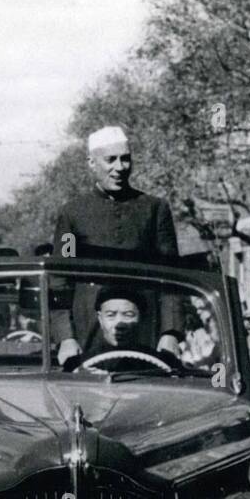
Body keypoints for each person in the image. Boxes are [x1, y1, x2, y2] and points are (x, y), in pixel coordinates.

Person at [52, 126, 180, 362]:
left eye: (125, 159)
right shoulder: (73, 214)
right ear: (92, 163)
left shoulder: (154, 209)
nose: (119, 168)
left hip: (145, 329)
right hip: (87, 332)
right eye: (111, 160)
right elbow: (60, 278)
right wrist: (65, 337)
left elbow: (171, 277)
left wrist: (170, 332)